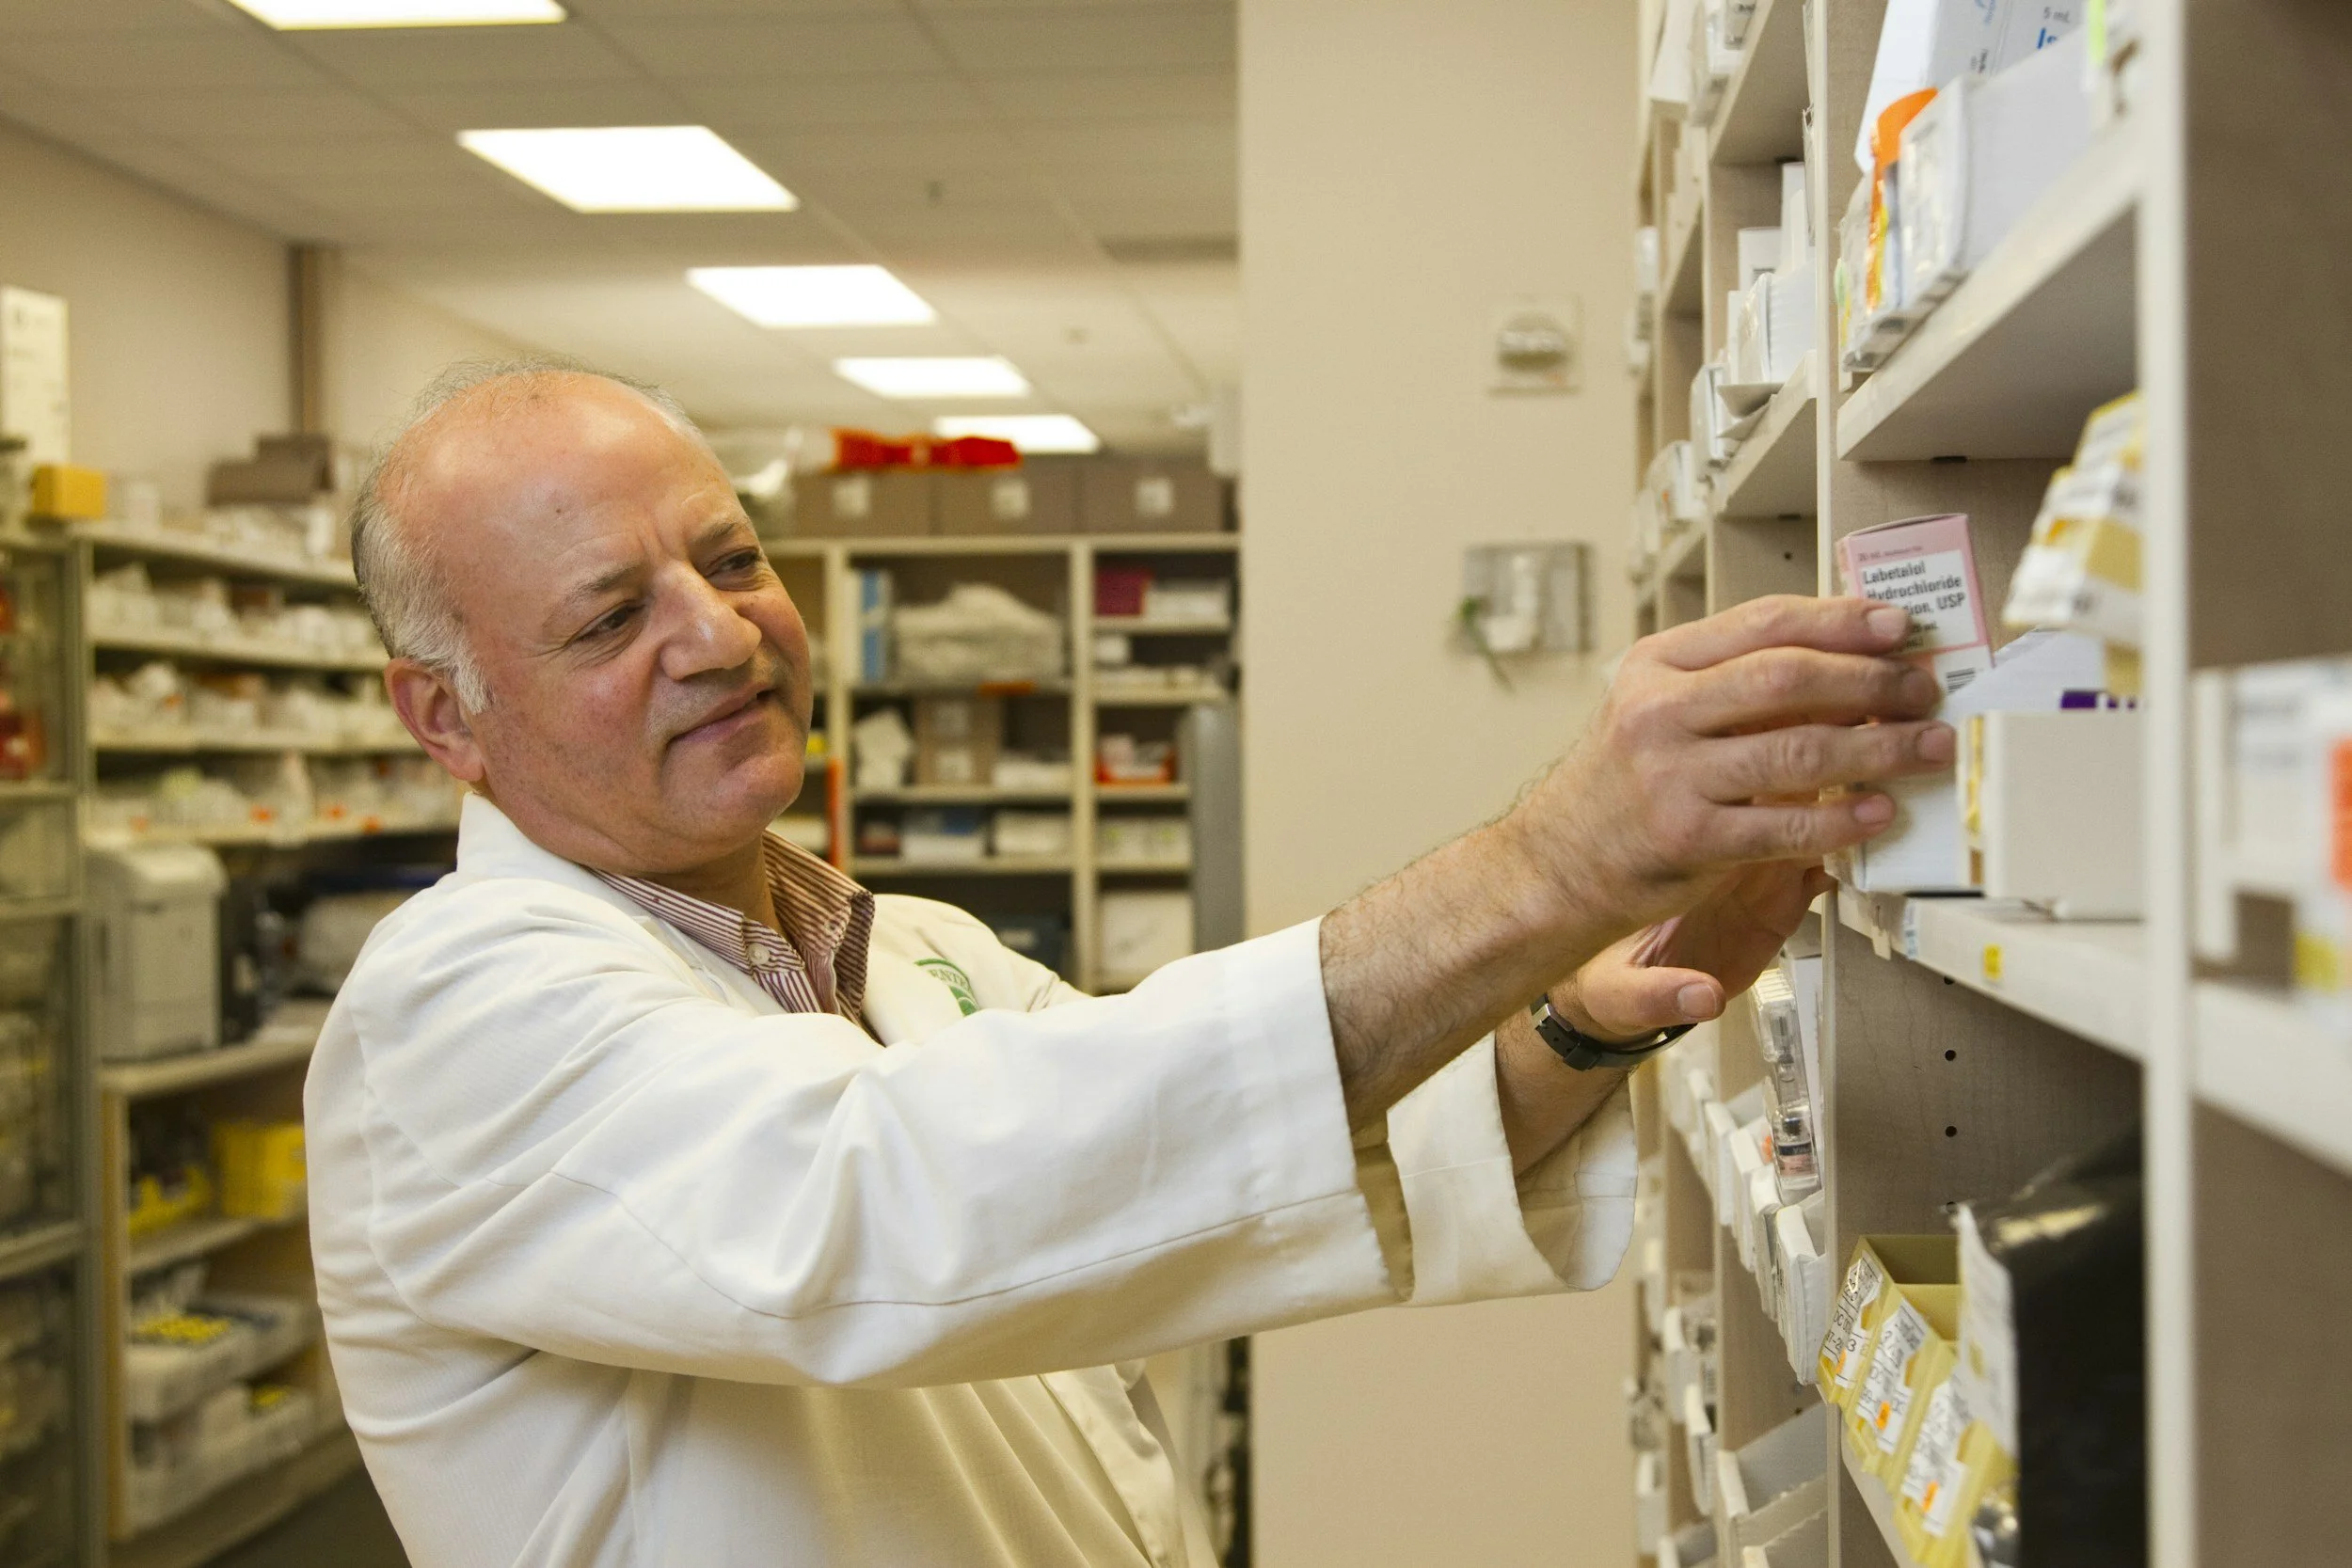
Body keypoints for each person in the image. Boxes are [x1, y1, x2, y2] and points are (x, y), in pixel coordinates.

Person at [305, 360, 1950, 1568]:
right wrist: (1543, 868)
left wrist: (1575, 1027)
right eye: (610, 619)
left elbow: (1189, 1174)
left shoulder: (911, 953)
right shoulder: (452, 1022)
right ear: (444, 714)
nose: (724, 634)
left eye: (731, 561)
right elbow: (898, 1201)